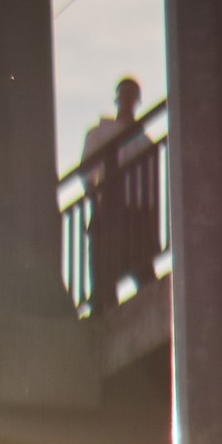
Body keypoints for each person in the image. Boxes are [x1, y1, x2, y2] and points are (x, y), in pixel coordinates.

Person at [81, 74, 159, 312]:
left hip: (137, 209)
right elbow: (87, 171)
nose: (127, 101)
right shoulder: (100, 133)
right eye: (124, 95)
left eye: (131, 96)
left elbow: (151, 186)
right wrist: (95, 194)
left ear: (137, 100)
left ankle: (152, 306)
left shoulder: (144, 142)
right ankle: (102, 308)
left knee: (142, 268)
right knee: (104, 268)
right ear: (118, 99)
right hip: (111, 207)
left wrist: (152, 216)